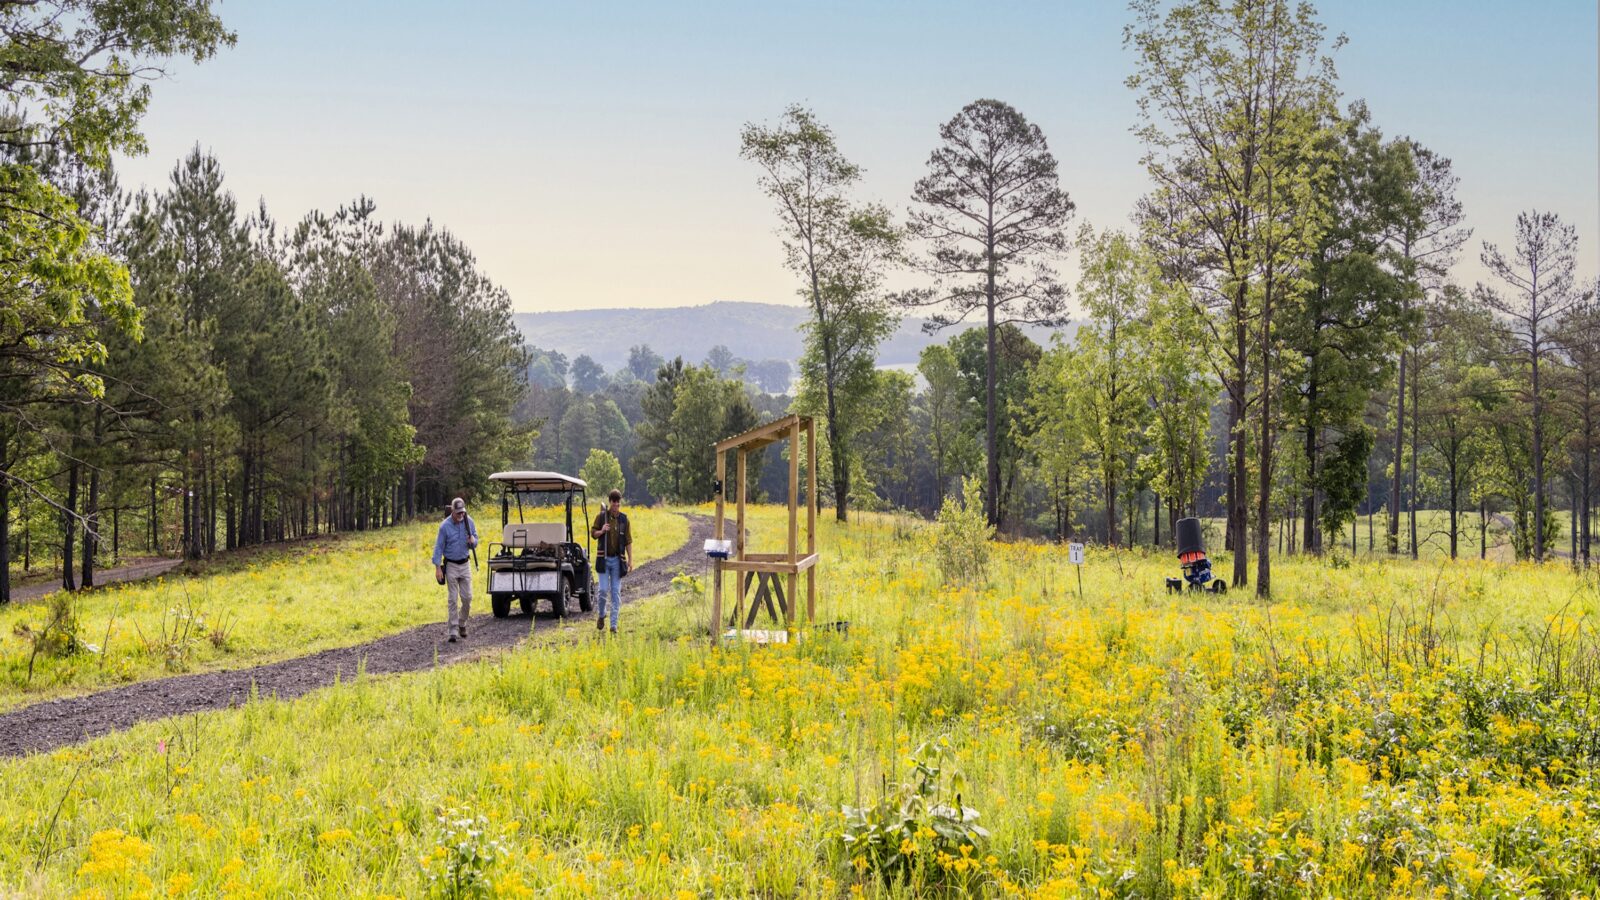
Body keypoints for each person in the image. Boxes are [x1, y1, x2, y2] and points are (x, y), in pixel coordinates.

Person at [432, 497, 478, 642]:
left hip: (465, 565)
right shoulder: (444, 526)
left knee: (467, 598)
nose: (461, 516)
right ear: (452, 511)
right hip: (451, 565)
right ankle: (452, 630)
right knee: (452, 599)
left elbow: (476, 539)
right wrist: (438, 567)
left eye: (462, 512)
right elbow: (438, 547)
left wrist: (473, 541)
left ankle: (462, 623)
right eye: (458, 513)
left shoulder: (468, 521)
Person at [589, 489, 633, 633]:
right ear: (610, 502)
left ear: (620, 503)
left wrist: (630, 560)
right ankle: (601, 615)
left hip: (617, 561)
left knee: (615, 593)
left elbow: (628, 541)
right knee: (602, 591)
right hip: (603, 560)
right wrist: (602, 531)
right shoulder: (602, 517)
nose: (615, 504)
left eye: (618, 502)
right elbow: (593, 534)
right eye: (613, 502)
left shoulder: (624, 520)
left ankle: (613, 625)